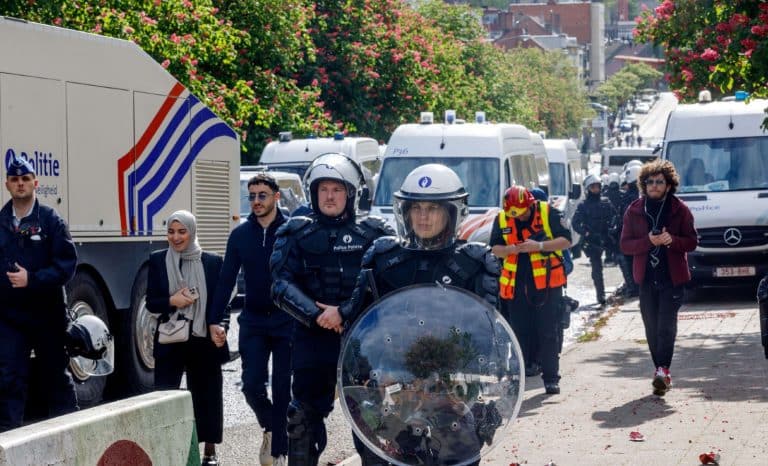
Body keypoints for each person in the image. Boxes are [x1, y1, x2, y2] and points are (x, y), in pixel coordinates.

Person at [342, 164, 500, 466]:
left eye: (433, 209)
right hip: (392, 391)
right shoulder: (384, 259)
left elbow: (487, 336)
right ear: (405, 212)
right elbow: (359, 331)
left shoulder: (473, 264)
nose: (423, 216)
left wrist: (453, 378)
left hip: (450, 394)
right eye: (416, 208)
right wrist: (370, 379)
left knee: (459, 457)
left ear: (452, 213)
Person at [270, 153, 393, 466]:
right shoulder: (295, 233)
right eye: (323, 189)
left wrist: (346, 313)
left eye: (337, 190)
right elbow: (280, 285)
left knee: (372, 420)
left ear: (351, 193)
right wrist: (317, 314)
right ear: (313, 193)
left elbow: (388, 286)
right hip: (312, 338)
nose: (329, 196)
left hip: (364, 341)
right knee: (300, 420)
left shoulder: (375, 234)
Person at [212, 173, 291, 466]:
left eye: (262, 195)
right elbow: (225, 281)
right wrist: (215, 320)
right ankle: (273, 428)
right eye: (252, 196)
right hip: (254, 321)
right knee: (250, 385)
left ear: (276, 197)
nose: (256, 201)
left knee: (284, 387)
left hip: (287, 320)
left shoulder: (291, 231)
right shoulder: (240, 235)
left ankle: (279, 451)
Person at [0, 155, 78, 432]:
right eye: (14, 180)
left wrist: (31, 280)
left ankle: (71, 440)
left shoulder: (51, 220)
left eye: (25, 179)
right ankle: (7, 447)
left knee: (56, 379)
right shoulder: (1, 221)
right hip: (10, 319)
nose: (20, 184)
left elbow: (67, 266)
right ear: (7, 184)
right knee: (8, 380)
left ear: (35, 182)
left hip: (47, 316)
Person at [146, 210, 230, 465]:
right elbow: (151, 303)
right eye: (171, 231)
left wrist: (221, 326)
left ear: (192, 231)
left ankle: (210, 451)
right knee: (165, 396)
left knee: (208, 396)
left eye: (181, 231)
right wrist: (173, 300)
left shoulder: (213, 262)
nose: (176, 237)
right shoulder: (158, 260)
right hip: (171, 338)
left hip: (203, 338)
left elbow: (221, 304)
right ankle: (167, 449)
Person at [620, 160, 697, 396]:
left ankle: (663, 371)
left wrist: (672, 240)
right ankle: (659, 370)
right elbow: (625, 245)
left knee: (666, 326)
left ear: (668, 184)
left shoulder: (679, 208)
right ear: (644, 184)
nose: (654, 186)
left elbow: (692, 241)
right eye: (650, 182)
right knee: (651, 327)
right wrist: (648, 242)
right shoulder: (634, 210)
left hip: (672, 277)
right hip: (645, 278)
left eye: (659, 182)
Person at [489, 186, 571, 395]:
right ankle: (521, 376)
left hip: (547, 285)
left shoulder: (548, 212)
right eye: (515, 214)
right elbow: (494, 248)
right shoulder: (502, 219)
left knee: (548, 331)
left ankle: (551, 378)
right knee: (519, 332)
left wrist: (540, 246)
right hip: (516, 285)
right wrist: (509, 250)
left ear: (531, 203)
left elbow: (566, 240)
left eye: (523, 212)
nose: (520, 216)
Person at [572, 174, 617, 307]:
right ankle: (600, 295)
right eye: (593, 187)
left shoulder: (606, 201)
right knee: (597, 268)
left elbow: (615, 216)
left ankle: (631, 287)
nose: (596, 189)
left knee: (622, 257)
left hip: (606, 236)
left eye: (597, 186)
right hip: (592, 240)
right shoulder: (583, 205)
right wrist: (586, 232)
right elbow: (575, 223)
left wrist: (613, 228)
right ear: (587, 189)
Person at [616, 164, 642, 298]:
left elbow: (623, 217)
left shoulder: (627, 197)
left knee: (628, 260)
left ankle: (633, 288)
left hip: (632, 235)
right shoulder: (647, 194)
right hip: (644, 235)